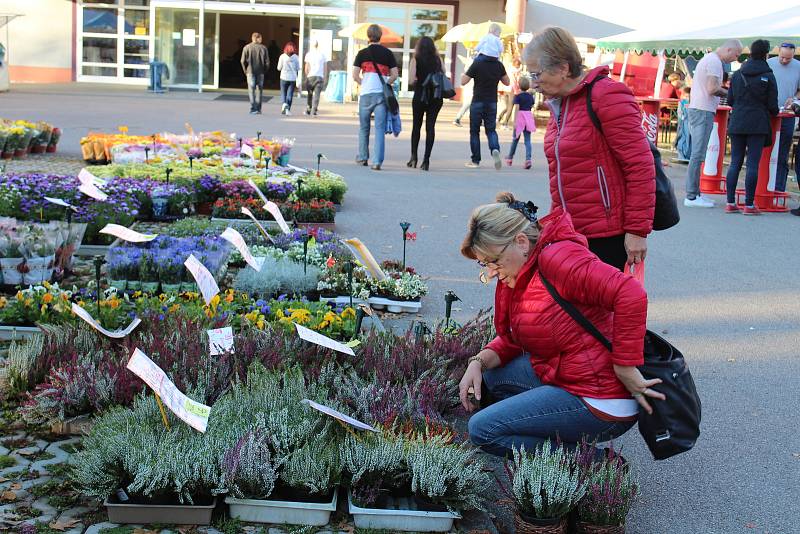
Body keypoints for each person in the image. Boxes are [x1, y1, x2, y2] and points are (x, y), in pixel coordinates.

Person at [458, 192, 664, 458]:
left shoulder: (559, 259)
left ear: (521, 242)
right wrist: (477, 361)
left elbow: (630, 293)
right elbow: (513, 339)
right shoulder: (521, 269)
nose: (490, 272)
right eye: (484, 263)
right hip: (570, 375)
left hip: (602, 398)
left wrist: (625, 365)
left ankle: (596, 464)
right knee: (491, 378)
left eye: (493, 262)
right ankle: (542, 431)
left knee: (483, 430)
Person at [522, 26, 654, 270]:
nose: (534, 83)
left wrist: (637, 231)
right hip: (569, 230)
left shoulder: (607, 95)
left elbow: (640, 166)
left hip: (607, 235)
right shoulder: (560, 104)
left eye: (537, 74)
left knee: (602, 306)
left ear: (563, 68)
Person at [684, 39, 743, 208]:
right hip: (702, 111)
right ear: (729, 50)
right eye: (736, 55)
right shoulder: (715, 62)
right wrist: (732, 93)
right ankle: (692, 196)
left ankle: (695, 193)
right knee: (697, 154)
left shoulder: (710, 60)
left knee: (698, 154)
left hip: (700, 109)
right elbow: (712, 88)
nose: (736, 59)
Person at [724, 39, 778, 216]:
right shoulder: (768, 75)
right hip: (758, 123)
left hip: (737, 121)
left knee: (735, 163)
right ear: (766, 54)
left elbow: (730, 100)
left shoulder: (738, 74)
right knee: (753, 164)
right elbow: (773, 106)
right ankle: (749, 204)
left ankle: (730, 202)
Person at [352, 24, 399, 171]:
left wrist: (363, 83)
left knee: (364, 127)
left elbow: (354, 75)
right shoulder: (388, 53)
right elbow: (395, 75)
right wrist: (386, 84)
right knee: (379, 129)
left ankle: (362, 157)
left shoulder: (362, 53)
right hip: (381, 96)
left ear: (368, 36)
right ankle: (377, 162)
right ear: (380, 36)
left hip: (365, 95)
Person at [462, 46, 509, 169]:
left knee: (474, 131)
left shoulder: (477, 63)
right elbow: (507, 82)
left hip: (477, 100)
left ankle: (475, 160)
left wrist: (468, 70)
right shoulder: (499, 65)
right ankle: (495, 149)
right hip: (492, 101)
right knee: (491, 130)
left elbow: (463, 81)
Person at [767, 42, 800, 193]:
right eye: (782, 57)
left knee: (782, 152)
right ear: (778, 52)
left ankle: (779, 188)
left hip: (788, 115)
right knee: (766, 150)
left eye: (788, 58)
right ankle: (764, 185)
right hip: (769, 113)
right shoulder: (769, 64)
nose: (785, 61)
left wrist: (794, 99)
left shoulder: (798, 66)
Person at [408, 36, 444, 171]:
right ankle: (426, 160)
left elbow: (411, 80)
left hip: (420, 96)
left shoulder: (415, 59)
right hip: (435, 97)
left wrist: (419, 79)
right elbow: (444, 72)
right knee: (430, 127)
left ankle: (413, 158)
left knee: (416, 126)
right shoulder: (438, 59)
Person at [505, 75, 535, 169]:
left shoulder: (517, 96)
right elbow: (531, 106)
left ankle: (510, 158)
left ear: (519, 86)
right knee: (527, 140)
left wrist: (515, 120)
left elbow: (517, 108)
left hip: (520, 117)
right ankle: (528, 159)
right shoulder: (530, 97)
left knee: (515, 139)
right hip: (528, 116)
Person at [240, 32, 270, 115]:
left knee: (251, 91)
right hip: (260, 72)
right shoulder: (264, 48)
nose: (262, 39)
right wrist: (265, 70)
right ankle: (259, 109)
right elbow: (267, 62)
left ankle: (253, 108)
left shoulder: (247, 47)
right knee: (259, 91)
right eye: (261, 38)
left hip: (250, 72)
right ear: (257, 38)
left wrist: (245, 71)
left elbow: (242, 61)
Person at [304, 40, 328, 116]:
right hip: (319, 77)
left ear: (311, 45)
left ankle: (308, 109)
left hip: (310, 76)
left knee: (310, 94)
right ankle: (314, 110)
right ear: (318, 45)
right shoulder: (322, 55)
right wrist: (325, 76)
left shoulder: (308, 54)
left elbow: (306, 67)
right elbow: (325, 67)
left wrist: (307, 75)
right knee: (317, 95)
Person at [277, 43, 301, 115]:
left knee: (283, 93)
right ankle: (288, 109)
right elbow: (298, 68)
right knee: (290, 94)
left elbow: (278, 68)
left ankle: (284, 104)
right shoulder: (296, 57)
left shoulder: (282, 56)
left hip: (283, 77)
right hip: (292, 78)